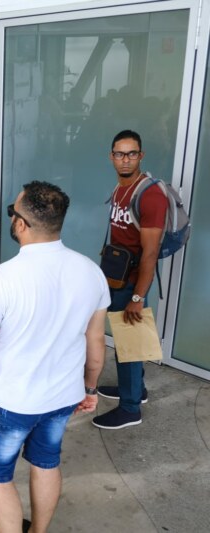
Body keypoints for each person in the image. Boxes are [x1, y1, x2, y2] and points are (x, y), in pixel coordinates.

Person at [0, 181, 109, 533]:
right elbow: (95, 344)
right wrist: (90, 387)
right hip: (62, 397)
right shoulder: (91, 272)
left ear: (21, 224)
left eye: (12, 211)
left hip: (10, 400)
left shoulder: (1, 279)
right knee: (46, 463)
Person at [92, 130, 166, 430]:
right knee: (126, 342)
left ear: (141, 155)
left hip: (133, 282)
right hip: (117, 277)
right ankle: (135, 389)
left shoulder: (151, 195)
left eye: (132, 153)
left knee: (129, 346)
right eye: (120, 154)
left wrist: (138, 297)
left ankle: (130, 407)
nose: (126, 159)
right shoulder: (122, 187)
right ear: (112, 156)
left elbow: (150, 253)